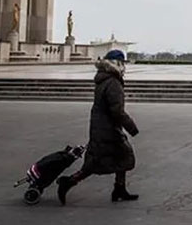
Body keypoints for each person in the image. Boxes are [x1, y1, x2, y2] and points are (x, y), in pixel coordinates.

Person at [57, 49, 140, 205]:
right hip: (107, 129)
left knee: (122, 156)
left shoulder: (104, 79)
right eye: (123, 63)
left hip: (102, 125)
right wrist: (132, 127)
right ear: (117, 64)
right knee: (98, 162)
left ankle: (119, 189)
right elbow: (117, 110)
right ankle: (68, 182)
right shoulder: (113, 82)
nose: (125, 67)